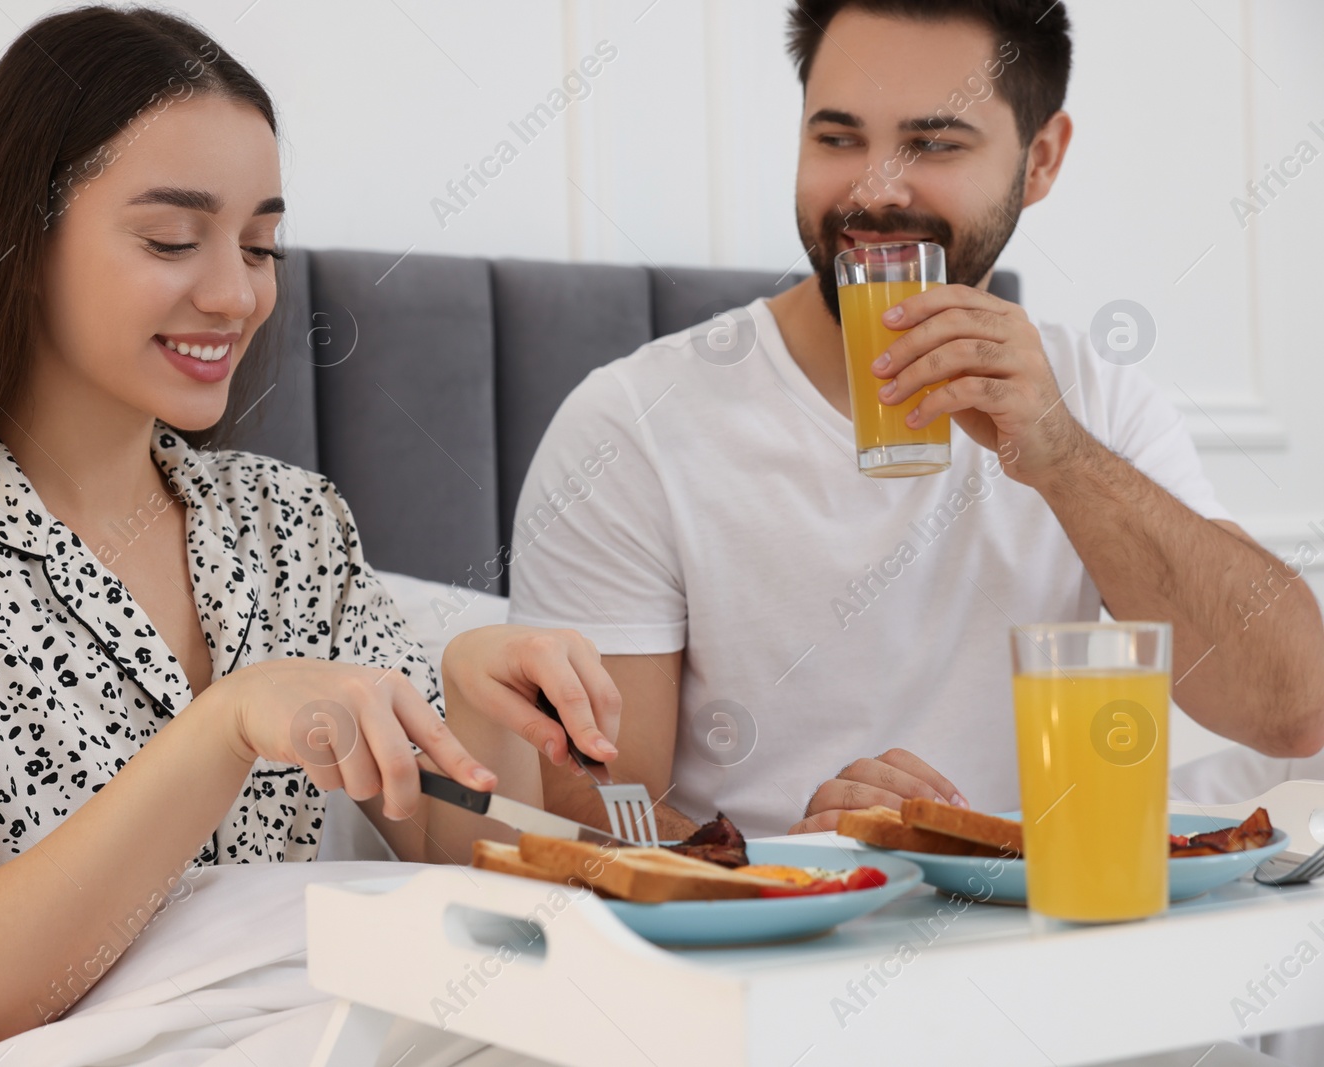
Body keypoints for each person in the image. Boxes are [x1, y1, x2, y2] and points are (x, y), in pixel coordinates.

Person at [0, 7, 618, 1058]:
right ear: (20, 244)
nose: (234, 293)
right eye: (171, 239)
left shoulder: (292, 524)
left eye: (260, 245)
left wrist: (478, 705)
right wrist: (222, 726)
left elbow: (473, 898)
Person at [507, 0, 1324, 842]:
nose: (874, 188)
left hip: (1060, 931)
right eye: (837, 138)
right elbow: (593, 813)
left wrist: (1065, 461)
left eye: (934, 144)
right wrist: (797, 853)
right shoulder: (632, 427)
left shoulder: (1098, 400)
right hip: (779, 947)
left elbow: (1296, 711)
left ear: (1039, 160)